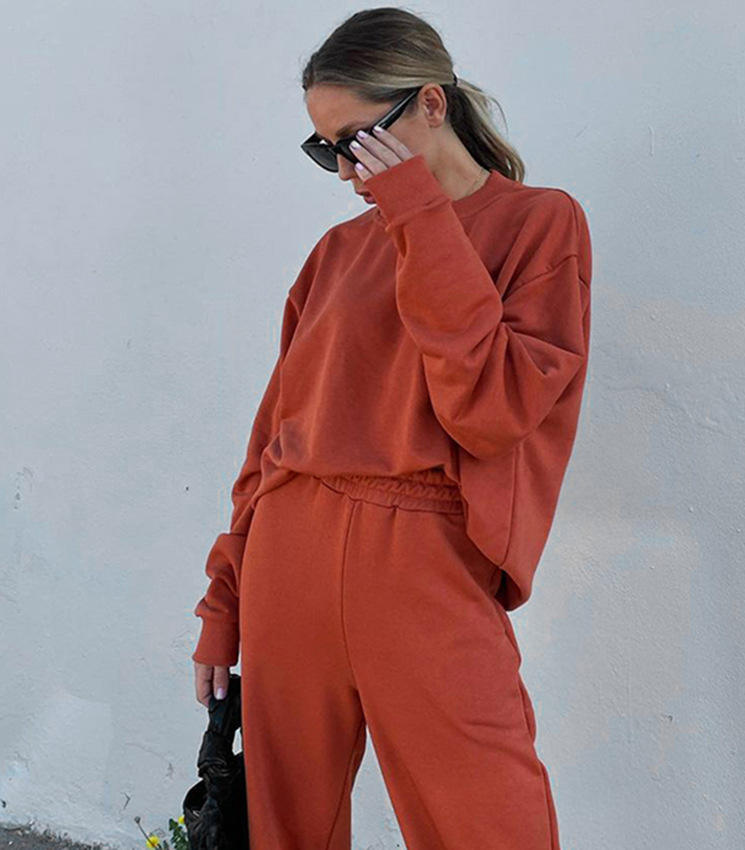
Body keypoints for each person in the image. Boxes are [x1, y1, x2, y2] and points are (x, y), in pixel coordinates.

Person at [191, 7, 591, 849]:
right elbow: (270, 443)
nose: (346, 170)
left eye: (358, 141)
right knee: (282, 828)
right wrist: (225, 599)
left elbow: (491, 411)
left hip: (423, 558)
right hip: (288, 553)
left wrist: (418, 213)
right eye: (325, 149)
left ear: (432, 104)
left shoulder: (539, 225)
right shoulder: (337, 252)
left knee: (489, 824)